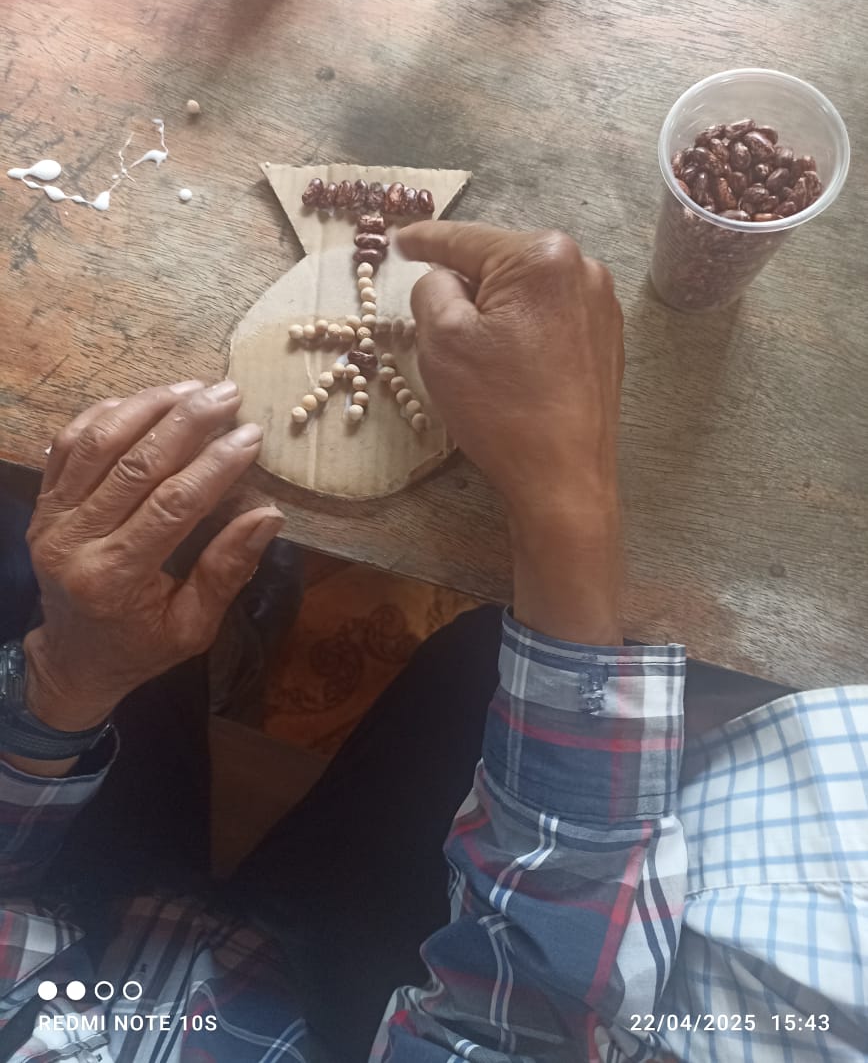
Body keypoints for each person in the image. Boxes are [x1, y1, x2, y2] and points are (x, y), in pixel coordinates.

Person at [0, 223, 864, 1063]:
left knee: (42, 552)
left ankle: (228, 645)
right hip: (365, 1007)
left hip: (68, 923)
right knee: (479, 663)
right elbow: (518, 1021)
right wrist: (565, 497)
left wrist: (64, 682)